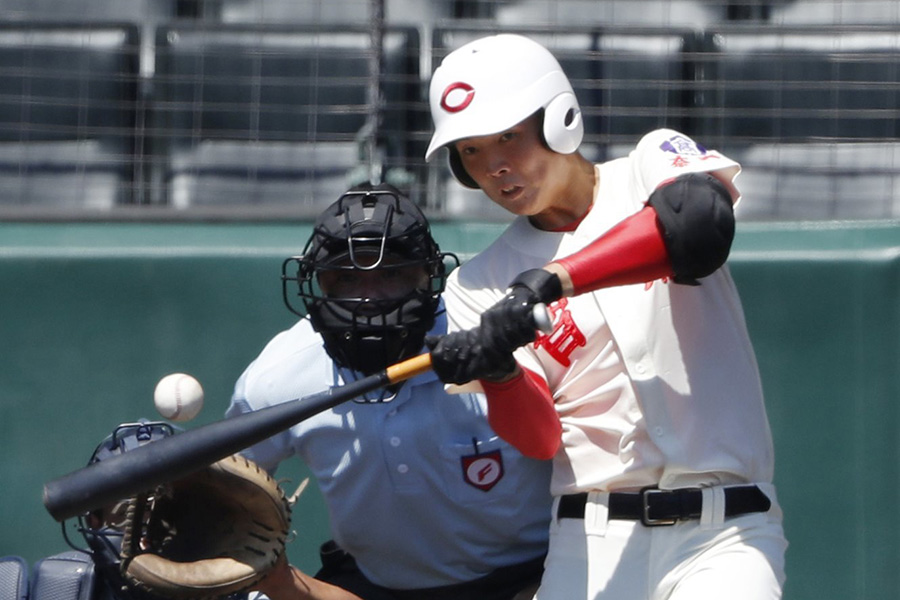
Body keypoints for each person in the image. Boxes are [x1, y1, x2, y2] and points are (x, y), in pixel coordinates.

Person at [422, 34, 788, 600]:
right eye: (470, 151)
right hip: (588, 542)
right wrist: (499, 373)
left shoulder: (648, 165)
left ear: (559, 119)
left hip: (724, 534)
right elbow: (540, 440)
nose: (494, 166)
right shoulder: (476, 282)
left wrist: (553, 279)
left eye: (507, 137)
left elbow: (698, 225)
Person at [226, 182, 553, 600]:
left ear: (427, 276)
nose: (368, 299)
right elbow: (229, 493)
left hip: (532, 577)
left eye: (393, 274)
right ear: (318, 283)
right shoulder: (279, 377)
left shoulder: (486, 336)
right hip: (375, 586)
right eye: (345, 276)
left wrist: (503, 373)